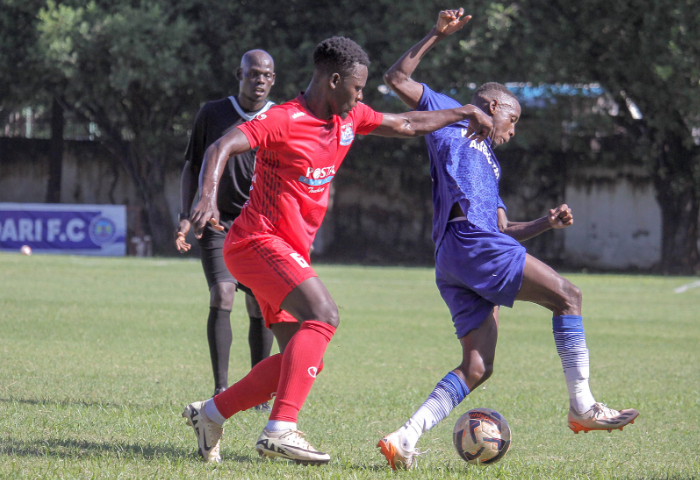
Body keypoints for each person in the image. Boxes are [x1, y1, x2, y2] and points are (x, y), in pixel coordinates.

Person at [181, 36, 495, 465]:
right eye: (357, 87)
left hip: (287, 253)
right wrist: (206, 197)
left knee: (301, 357)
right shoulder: (284, 119)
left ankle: (211, 414)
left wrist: (461, 111)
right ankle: (280, 429)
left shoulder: (349, 119)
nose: (362, 96)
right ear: (333, 80)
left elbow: (406, 124)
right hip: (256, 242)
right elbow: (221, 146)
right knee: (325, 316)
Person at [376, 9, 639, 470]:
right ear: (494, 107)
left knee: (478, 367)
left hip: (459, 257)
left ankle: (404, 436)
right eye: (512, 121)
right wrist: (436, 34)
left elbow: (504, 229)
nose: (512, 133)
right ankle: (583, 407)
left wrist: (544, 222)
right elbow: (396, 76)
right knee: (568, 296)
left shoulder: (491, 164)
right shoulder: (451, 118)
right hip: (470, 245)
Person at [175, 50, 276, 408]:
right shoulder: (213, 113)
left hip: (260, 226)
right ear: (240, 74)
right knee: (223, 293)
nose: (259, 80)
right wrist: (188, 214)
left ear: (273, 80)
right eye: (253, 74)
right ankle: (221, 388)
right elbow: (192, 165)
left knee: (260, 305)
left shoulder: (279, 118)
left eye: (266, 75)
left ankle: (260, 390)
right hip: (217, 222)